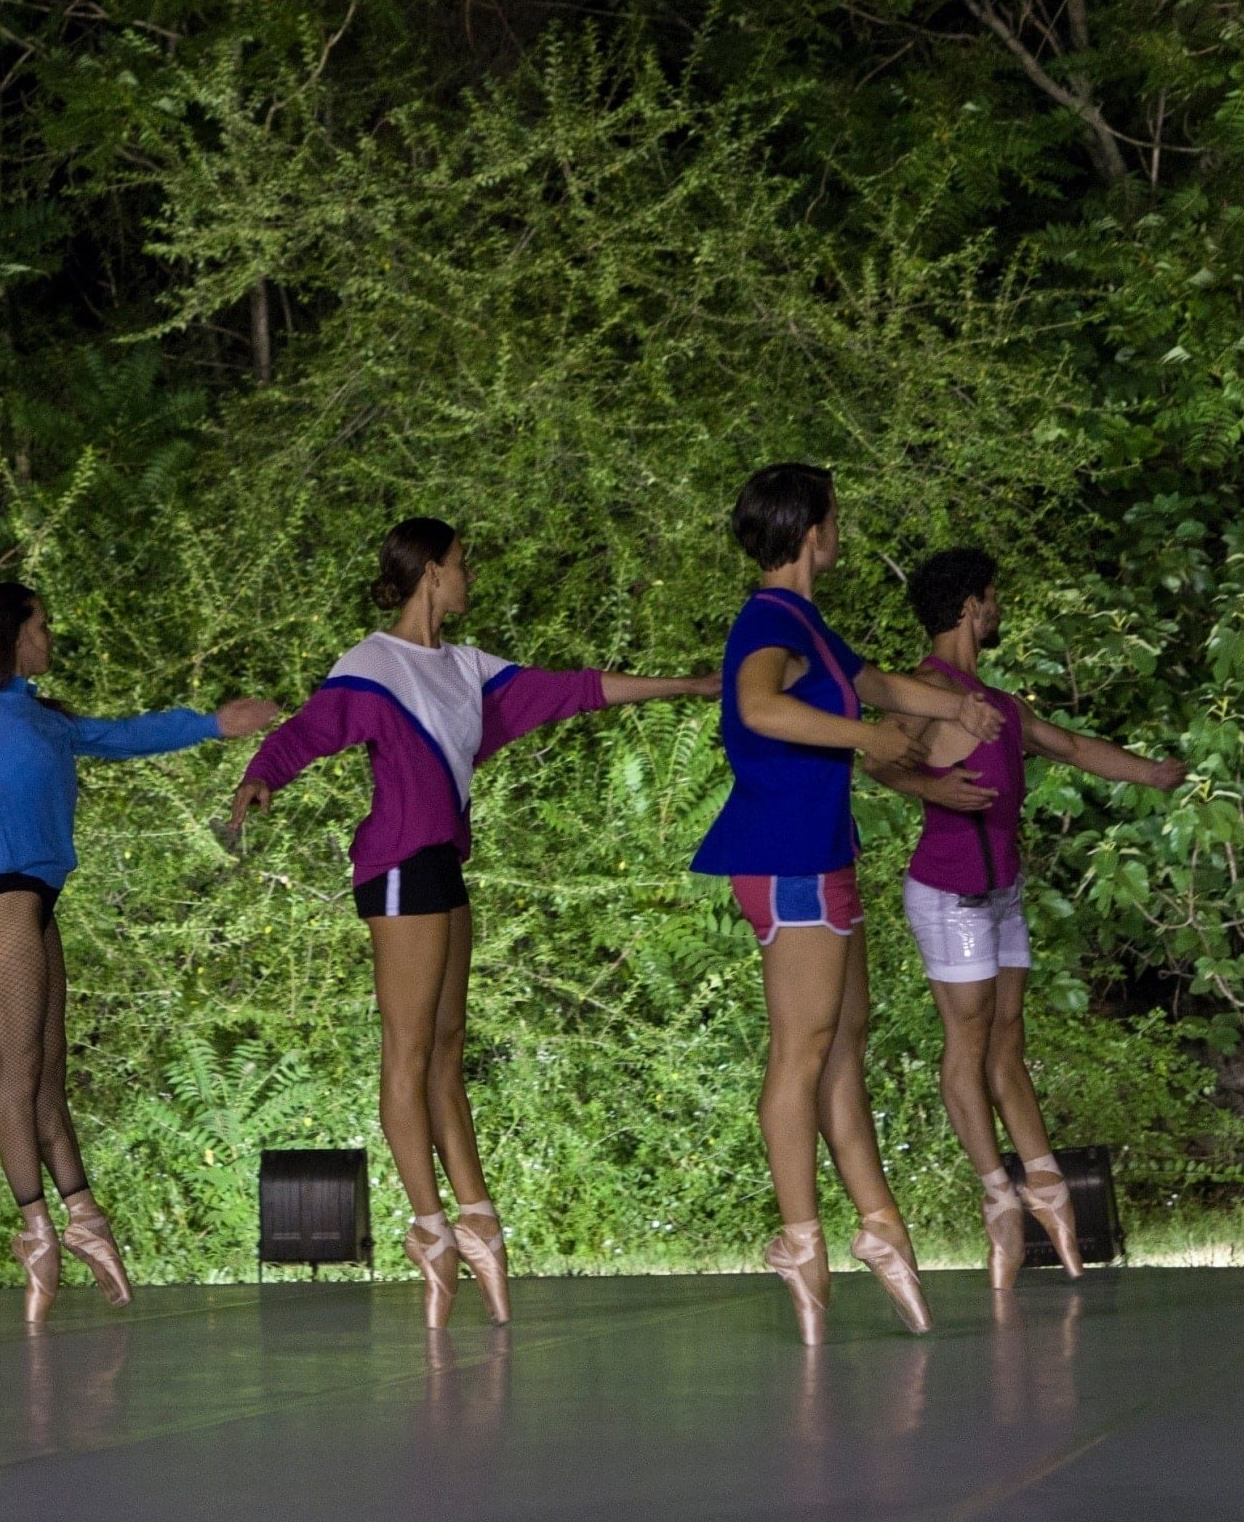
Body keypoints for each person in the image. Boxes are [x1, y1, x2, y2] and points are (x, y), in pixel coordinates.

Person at [226, 519, 718, 1329]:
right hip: (394, 866)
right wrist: (260, 775)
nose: (470, 577)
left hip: (445, 867)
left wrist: (689, 686)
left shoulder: (466, 670)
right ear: (428, 573)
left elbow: (577, 688)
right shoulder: (373, 666)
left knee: (448, 1051)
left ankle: (477, 1215)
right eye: (461, 565)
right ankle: (429, 1226)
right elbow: (308, 732)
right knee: (409, 1050)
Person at [0, 582, 279, 1325]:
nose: (51, 635)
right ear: (12, 634)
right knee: (18, 1075)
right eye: (42, 624)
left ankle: (85, 1221)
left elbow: (126, 734)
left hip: (35, 904)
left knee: (48, 1075)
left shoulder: (46, 717)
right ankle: (36, 1232)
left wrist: (212, 724)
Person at [690, 464, 1008, 1345]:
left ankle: (876, 1221)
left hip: (822, 853)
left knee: (843, 1044)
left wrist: (958, 709)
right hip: (785, 856)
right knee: (804, 1052)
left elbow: (875, 684)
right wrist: (870, 738)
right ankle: (801, 1239)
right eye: (837, 518)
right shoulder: (765, 620)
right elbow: (756, 707)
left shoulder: (807, 621)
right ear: (811, 530)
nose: (843, 531)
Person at [871, 547, 1185, 1287]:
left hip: (1002, 891)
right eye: (995, 598)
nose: (1000, 609)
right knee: (969, 1044)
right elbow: (879, 760)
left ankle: (1044, 1184)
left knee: (1008, 1041)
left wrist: (1152, 773)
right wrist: (935, 791)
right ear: (973, 606)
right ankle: (998, 1199)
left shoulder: (999, 705)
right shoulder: (922, 691)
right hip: (950, 894)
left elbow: (1069, 747)